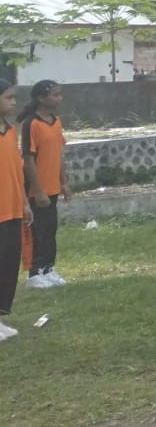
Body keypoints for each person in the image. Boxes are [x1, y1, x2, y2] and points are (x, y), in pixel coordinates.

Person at [20, 81, 68, 290]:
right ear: (41, 98)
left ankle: (48, 268)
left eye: (60, 95)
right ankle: (34, 272)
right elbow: (28, 159)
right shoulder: (31, 123)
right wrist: (38, 191)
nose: (60, 99)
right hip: (36, 189)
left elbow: (59, 153)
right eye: (56, 95)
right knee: (37, 231)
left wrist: (64, 182)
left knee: (50, 229)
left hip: (53, 187)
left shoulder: (56, 122)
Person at [0, 80, 30, 341]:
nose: (13, 102)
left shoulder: (10, 131)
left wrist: (24, 202)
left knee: (9, 265)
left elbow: (16, 170)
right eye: (8, 98)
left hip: (12, 209)